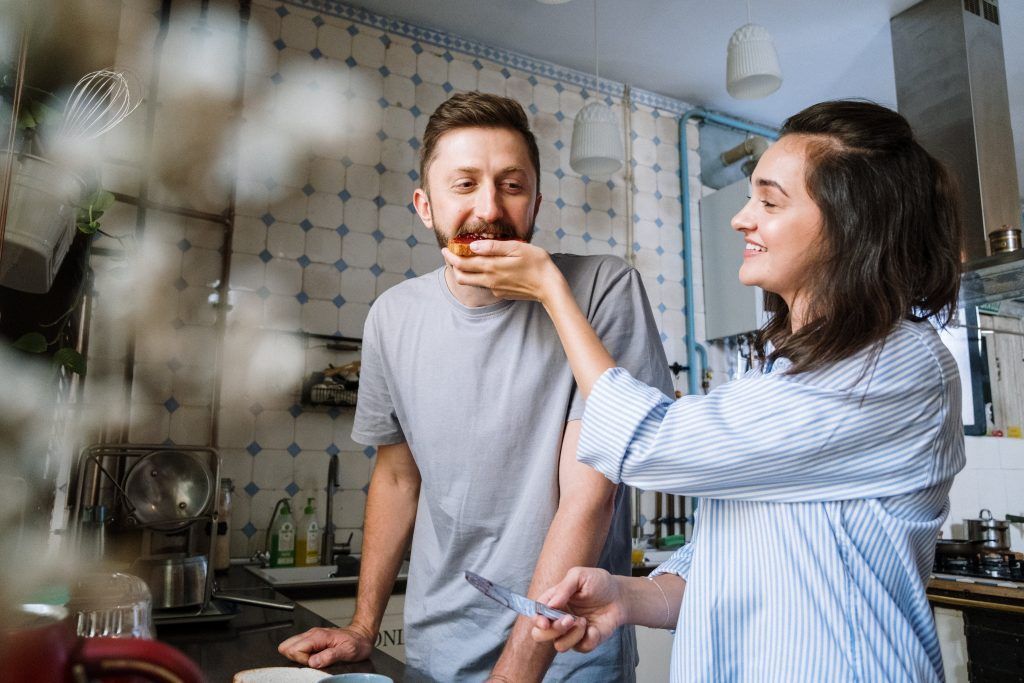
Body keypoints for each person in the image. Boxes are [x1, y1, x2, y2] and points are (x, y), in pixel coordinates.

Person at [445, 100, 966, 682]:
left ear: (852, 225)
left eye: (769, 202)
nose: (741, 219)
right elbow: (729, 565)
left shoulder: (895, 364)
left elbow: (651, 444)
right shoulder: (775, 369)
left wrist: (553, 292)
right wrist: (623, 595)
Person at [278, 91, 673, 681]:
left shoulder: (602, 289)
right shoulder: (391, 317)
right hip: (437, 652)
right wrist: (363, 626)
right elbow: (396, 476)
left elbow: (589, 498)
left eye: (512, 185)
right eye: (464, 184)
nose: (489, 208)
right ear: (425, 205)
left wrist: (514, 673)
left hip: (570, 657)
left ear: (536, 201)